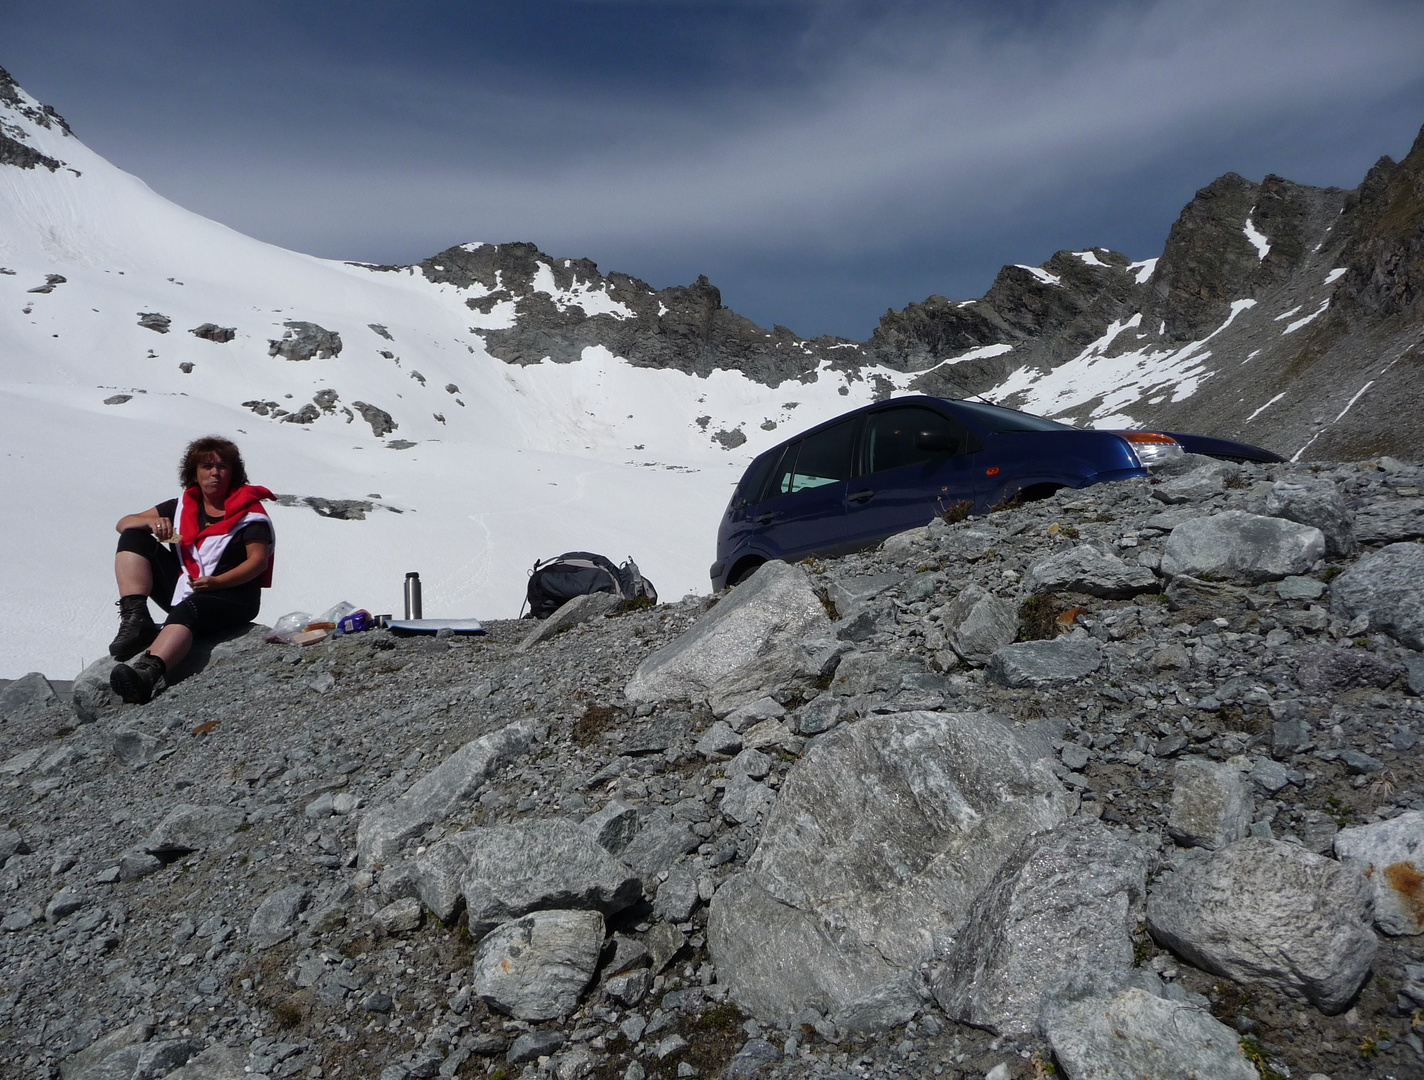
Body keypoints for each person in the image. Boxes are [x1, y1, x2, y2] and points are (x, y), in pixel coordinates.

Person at [109, 436, 275, 704]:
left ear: (233, 474)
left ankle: (146, 674)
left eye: (222, 467)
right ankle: (135, 619)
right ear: (194, 473)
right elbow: (123, 523)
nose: (215, 473)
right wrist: (153, 525)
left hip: (233, 596)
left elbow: (257, 562)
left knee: (190, 609)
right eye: (207, 466)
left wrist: (217, 582)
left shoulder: (249, 515)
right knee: (133, 536)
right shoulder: (184, 507)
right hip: (190, 585)